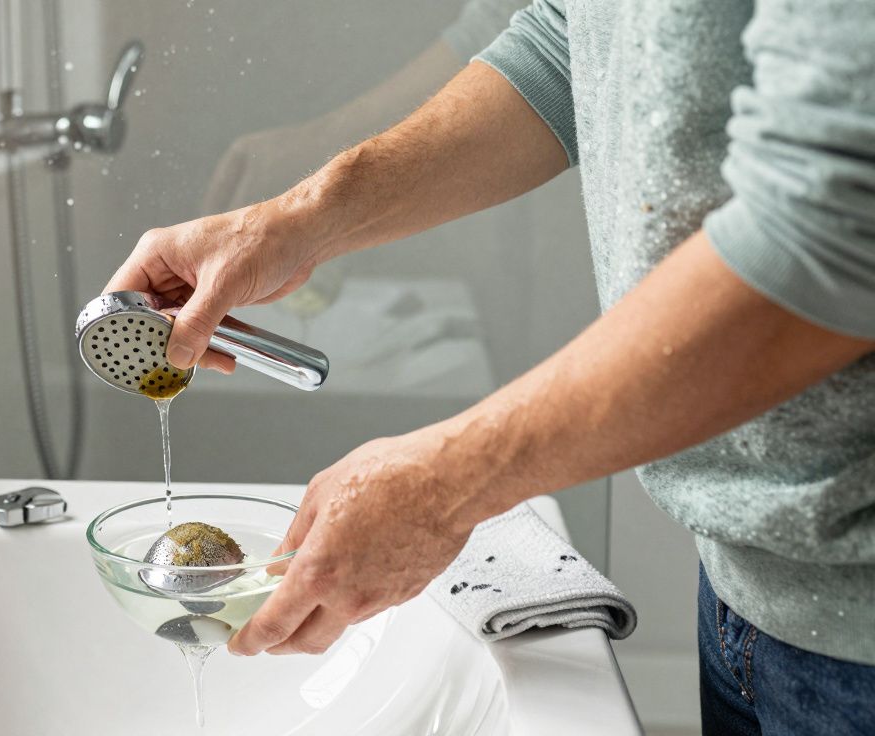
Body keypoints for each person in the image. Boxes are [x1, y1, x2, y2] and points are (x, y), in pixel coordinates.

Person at [105, 1, 875, 733]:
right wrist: (303, 218)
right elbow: (572, 41)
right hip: (749, 579)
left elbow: (830, 235)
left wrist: (446, 485)